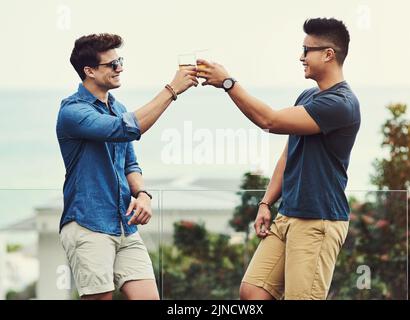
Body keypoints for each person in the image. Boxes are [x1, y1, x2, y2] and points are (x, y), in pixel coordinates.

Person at [197, 18, 360, 300]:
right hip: (289, 214)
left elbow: (268, 120)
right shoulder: (309, 95)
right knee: (253, 291)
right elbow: (289, 152)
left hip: (318, 220)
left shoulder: (340, 104)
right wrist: (266, 202)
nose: (301, 56)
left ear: (329, 54)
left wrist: (227, 83)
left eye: (307, 49)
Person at [56, 33, 197, 300]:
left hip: (125, 224)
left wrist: (142, 194)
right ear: (89, 71)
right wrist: (172, 90)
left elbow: (130, 163)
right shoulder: (72, 112)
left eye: (119, 60)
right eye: (112, 64)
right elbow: (125, 128)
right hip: (89, 223)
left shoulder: (118, 107)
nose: (120, 67)